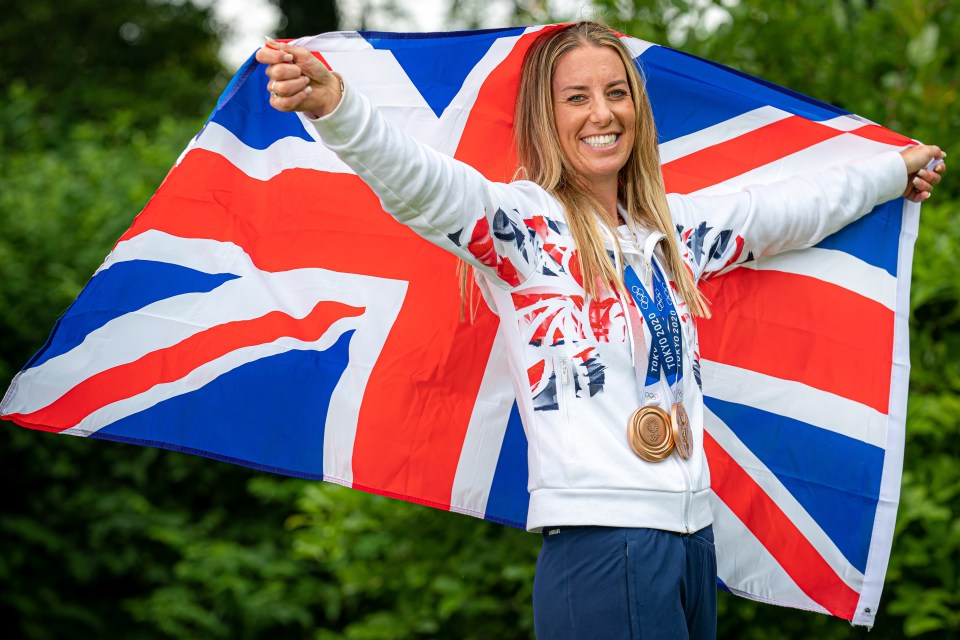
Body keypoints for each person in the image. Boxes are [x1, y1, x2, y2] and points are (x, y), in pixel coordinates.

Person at [256, 21, 945, 640]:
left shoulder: (672, 236)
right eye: (576, 97)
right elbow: (421, 181)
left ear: (638, 111)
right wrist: (335, 106)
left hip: (691, 541)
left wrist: (894, 169)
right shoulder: (522, 231)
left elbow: (788, 210)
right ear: (545, 119)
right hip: (602, 546)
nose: (601, 113)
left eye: (616, 93)